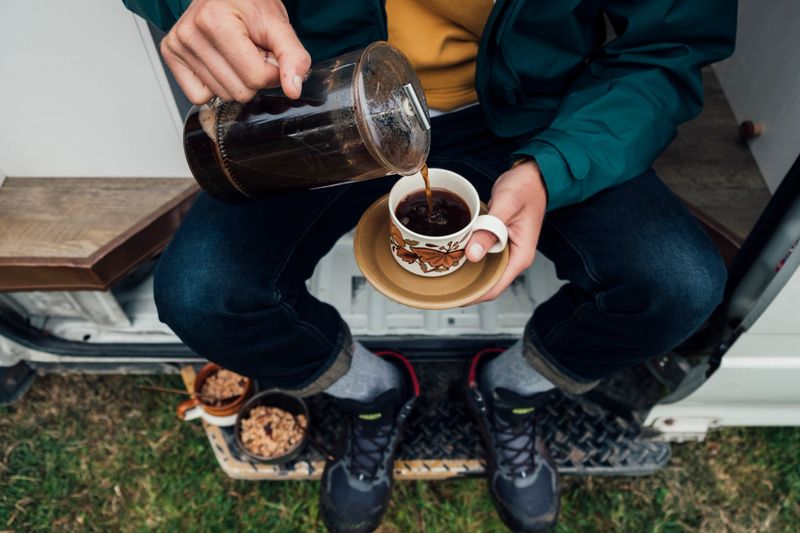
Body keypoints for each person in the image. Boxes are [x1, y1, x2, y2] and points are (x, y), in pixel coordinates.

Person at [123, 0, 736, 531]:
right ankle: (374, 394)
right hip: (325, 98)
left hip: (530, 111)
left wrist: (556, 166)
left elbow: (668, 41)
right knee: (202, 293)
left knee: (678, 284)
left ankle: (511, 390)